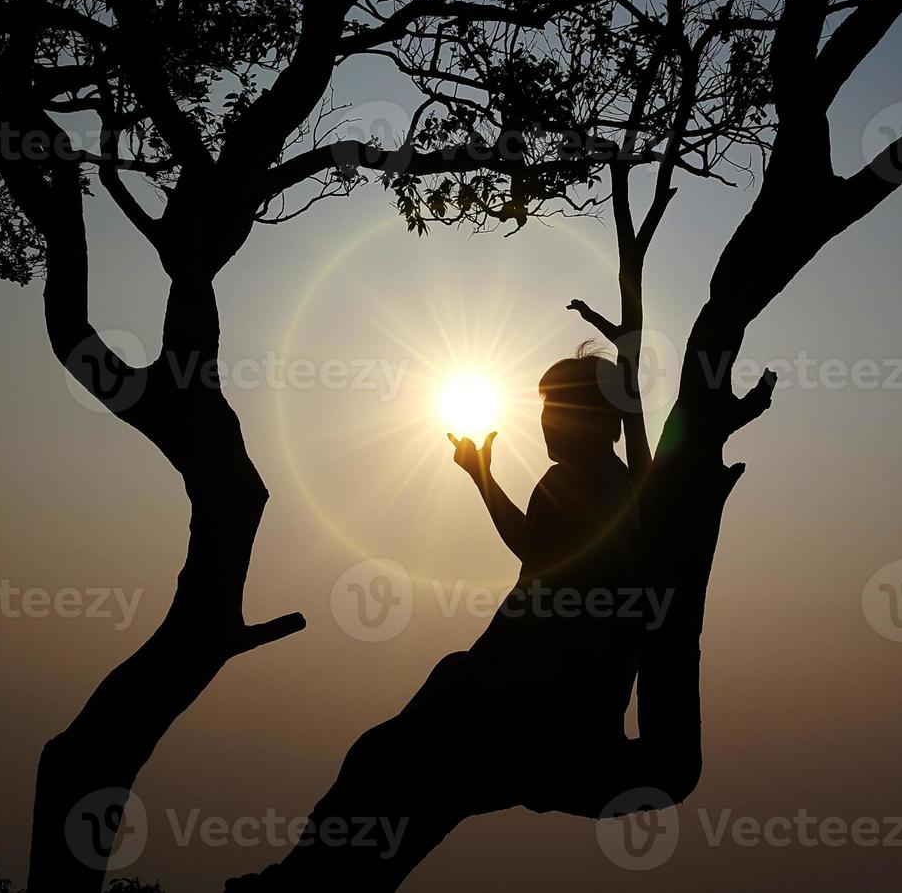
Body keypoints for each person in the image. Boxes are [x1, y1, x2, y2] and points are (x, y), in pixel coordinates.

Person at [231, 346, 697, 892]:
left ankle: (297, 884)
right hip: (535, 693)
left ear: (594, 417)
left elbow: (565, 590)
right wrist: (482, 478)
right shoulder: (600, 482)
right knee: (407, 785)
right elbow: (537, 549)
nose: (545, 421)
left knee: (380, 766)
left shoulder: (579, 482)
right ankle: (311, 881)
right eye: (544, 408)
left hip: (526, 699)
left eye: (558, 409)